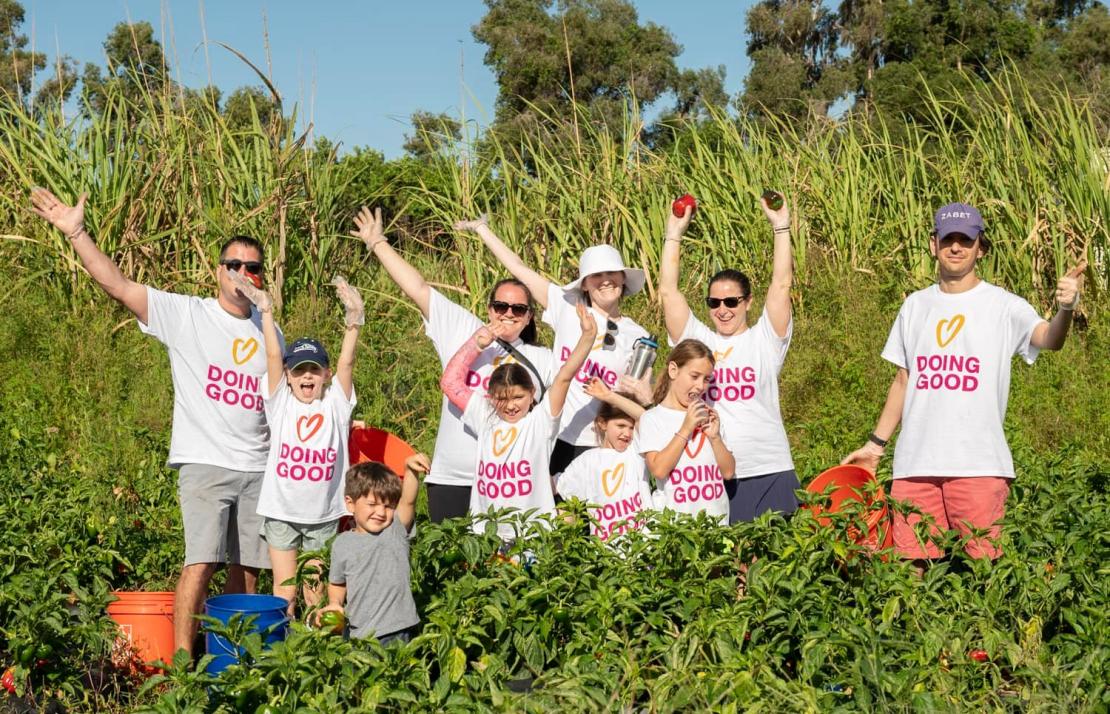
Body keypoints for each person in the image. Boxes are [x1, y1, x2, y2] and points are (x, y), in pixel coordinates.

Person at [29, 187, 281, 657]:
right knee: (200, 563)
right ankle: (185, 666)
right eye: (234, 265)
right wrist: (78, 233)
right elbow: (119, 286)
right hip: (205, 462)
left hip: (259, 465)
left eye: (253, 267)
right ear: (218, 271)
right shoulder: (187, 313)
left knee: (248, 571)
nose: (244, 274)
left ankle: (233, 661)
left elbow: (281, 395)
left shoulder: (269, 326)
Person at [842, 202, 1086, 567]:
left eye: (966, 240)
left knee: (984, 570)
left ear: (980, 249)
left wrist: (1067, 308)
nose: (956, 247)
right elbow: (903, 379)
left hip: (979, 464)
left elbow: (1049, 338)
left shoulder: (1003, 305)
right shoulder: (914, 306)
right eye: (948, 239)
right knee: (912, 569)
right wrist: (876, 447)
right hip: (915, 465)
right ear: (933, 244)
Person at [353, 207, 554, 523]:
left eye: (518, 309)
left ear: (529, 316)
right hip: (452, 477)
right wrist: (378, 243)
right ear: (489, 309)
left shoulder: (542, 359)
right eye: (501, 306)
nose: (508, 314)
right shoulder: (463, 326)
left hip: (508, 483)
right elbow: (418, 288)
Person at [454, 216, 652, 476]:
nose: (606, 281)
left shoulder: (638, 334)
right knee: (558, 513)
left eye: (612, 273)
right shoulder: (567, 307)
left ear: (623, 278)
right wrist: (481, 229)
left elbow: (641, 397)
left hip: (604, 442)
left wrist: (645, 396)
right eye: (596, 276)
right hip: (559, 437)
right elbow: (519, 268)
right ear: (584, 283)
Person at [228, 272, 362, 616]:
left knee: (315, 590)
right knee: (283, 593)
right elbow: (273, 357)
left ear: (325, 375)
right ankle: (285, 652)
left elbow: (347, 362)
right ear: (288, 375)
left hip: (322, 515)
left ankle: (315, 654)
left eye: (314, 370)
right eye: (299, 370)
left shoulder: (335, 404)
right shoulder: (281, 403)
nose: (306, 376)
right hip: (281, 512)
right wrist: (267, 311)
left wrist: (354, 323)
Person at [659, 193, 798, 523]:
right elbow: (668, 291)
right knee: (729, 568)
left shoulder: (764, 339)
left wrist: (781, 227)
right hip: (714, 472)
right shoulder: (697, 340)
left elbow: (781, 284)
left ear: (748, 302)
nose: (722, 310)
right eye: (714, 303)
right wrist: (674, 234)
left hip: (770, 465)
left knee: (779, 565)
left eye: (732, 302)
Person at [440, 302, 597, 540]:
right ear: (490, 397)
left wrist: (588, 337)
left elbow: (564, 378)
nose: (511, 405)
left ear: (532, 392)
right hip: (487, 536)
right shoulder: (484, 416)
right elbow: (450, 382)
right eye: (502, 398)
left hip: (532, 537)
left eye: (518, 397)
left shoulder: (540, 423)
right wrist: (477, 344)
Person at [317, 454, 427, 643]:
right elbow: (337, 582)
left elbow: (408, 501)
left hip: (395, 629)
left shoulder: (394, 531)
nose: (381, 512)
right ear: (350, 503)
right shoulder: (341, 544)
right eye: (372, 504)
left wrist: (410, 471)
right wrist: (335, 604)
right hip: (357, 632)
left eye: (389, 506)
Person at [634, 340, 736, 523]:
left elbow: (728, 472)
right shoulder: (652, 419)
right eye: (694, 376)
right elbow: (658, 470)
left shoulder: (710, 415)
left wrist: (715, 438)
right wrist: (686, 428)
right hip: (676, 529)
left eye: (706, 380)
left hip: (716, 524)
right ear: (673, 370)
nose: (700, 386)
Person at [556, 378, 653, 541]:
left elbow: (646, 418)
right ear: (602, 423)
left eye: (631, 428)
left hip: (643, 548)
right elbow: (563, 493)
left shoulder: (635, 451)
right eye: (620, 426)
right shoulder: (587, 461)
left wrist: (609, 396)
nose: (627, 434)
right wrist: (570, 542)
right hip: (605, 554)